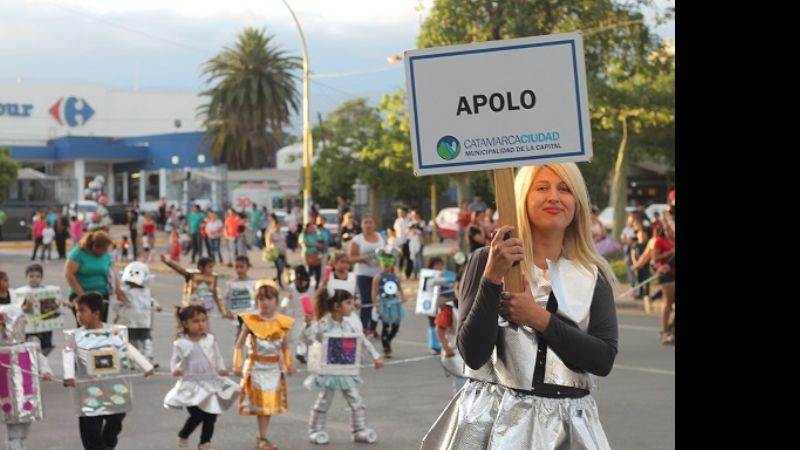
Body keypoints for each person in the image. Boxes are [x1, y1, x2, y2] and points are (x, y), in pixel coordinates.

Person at [421, 163, 619, 450]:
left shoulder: (593, 275)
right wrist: (492, 277)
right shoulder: (487, 259)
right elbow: (473, 355)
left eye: (564, 189)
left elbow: (602, 360)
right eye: (542, 188)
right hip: (494, 420)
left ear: (577, 202)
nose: (554, 197)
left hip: (568, 426)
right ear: (522, 198)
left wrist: (540, 319)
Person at [63, 292, 155, 450]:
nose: (78, 315)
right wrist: (69, 375)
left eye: (82, 311)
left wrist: (146, 366)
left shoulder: (115, 332)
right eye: (77, 311)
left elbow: (128, 348)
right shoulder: (75, 336)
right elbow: (68, 354)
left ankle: (108, 443)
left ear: (96, 313)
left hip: (115, 384)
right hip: (89, 388)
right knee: (90, 422)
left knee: (116, 417)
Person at [303, 288, 384, 444]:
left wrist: (376, 357)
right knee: (324, 400)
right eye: (348, 303)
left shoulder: (349, 325)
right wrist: (308, 325)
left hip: (346, 370)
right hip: (328, 371)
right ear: (336, 306)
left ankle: (359, 430)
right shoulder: (323, 324)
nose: (352, 306)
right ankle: (315, 430)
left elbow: (363, 340)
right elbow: (308, 339)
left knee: (355, 399)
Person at [164, 305, 238, 450]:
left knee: (211, 415)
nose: (201, 324)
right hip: (190, 385)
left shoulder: (210, 339)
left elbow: (217, 356)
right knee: (197, 415)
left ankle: (205, 443)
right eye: (196, 321)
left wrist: (221, 368)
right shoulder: (180, 343)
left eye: (204, 320)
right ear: (185, 323)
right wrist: (175, 370)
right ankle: (183, 435)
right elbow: (174, 360)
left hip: (210, 383)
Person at [232, 282, 296, 450]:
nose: (265, 302)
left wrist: (289, 364)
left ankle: (262, 437)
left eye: (269, 298)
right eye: (261, 298)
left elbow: (285, 347)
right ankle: (262, 438)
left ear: (276, 300)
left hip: (274, 369)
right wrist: (237, 365)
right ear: (256, 301)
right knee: (261, 407)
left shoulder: (282, 322)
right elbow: (238, 345)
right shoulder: (250, 321)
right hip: (256, 368)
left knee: (268, 407)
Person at [0, 304, 54, 450]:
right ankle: (15, 444)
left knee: (25, 424)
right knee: (14, 428)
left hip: (27, 392)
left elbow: (40, 358)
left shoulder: (28, 347)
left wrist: (46, 371)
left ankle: (18, 444)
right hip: (7, 394)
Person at [64, 230, 127, 324]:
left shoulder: (105, 254)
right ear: (95, 246)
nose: (105, 252)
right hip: (81, 293)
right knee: (86, 324)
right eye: (103, 249)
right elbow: (69, 274)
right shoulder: (78, 253)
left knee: (100, 325)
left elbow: (112, 274)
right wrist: (82, 295)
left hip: (101, 295)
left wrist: (118, 291)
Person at [112, 261, 163, 368]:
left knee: (146, 341)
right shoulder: (124, 292)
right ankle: (133, 361)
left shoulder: (145, 292)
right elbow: (118, 305)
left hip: (143, 322)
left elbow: (150, 301)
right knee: (133, 342)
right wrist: (118, 315)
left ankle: (147, 359)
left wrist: (156, 306)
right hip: (131, 322)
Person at [348, 216, 384, 338]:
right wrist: (363, 258)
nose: (368, 225)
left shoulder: (380, 237)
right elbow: (351, 258)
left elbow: (385, 253)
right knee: (367, 301)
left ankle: (373, 327)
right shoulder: (357, 240)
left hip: (378, 274)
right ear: (362, 225)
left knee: (378, 302)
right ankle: (364, 328)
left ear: (374, 224)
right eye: (366, 223)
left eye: (371, 222)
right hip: (363, 274)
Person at [371, 247, 407, 358]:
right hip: (384, 304)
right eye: (384, 263)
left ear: (392, 264)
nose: (386, 265)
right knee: (385, 326)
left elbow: (399, 288)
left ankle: (388, 341)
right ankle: (386, 347)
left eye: (389, 263)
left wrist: (402, 296)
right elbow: (374, 291)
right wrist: (376, 304)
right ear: (380, 264)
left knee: (396, 326)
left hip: (395, 303)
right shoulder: (378, 277)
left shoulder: (395, 277)